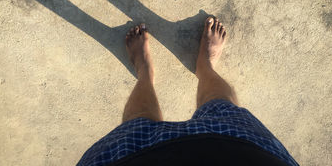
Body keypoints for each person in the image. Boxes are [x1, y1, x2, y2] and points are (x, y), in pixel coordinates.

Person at [77, 16, 298, 166]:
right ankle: (205, 66)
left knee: (137, 124)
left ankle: (144, 71)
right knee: (220, 105)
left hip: (135, 159)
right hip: (240, 154)